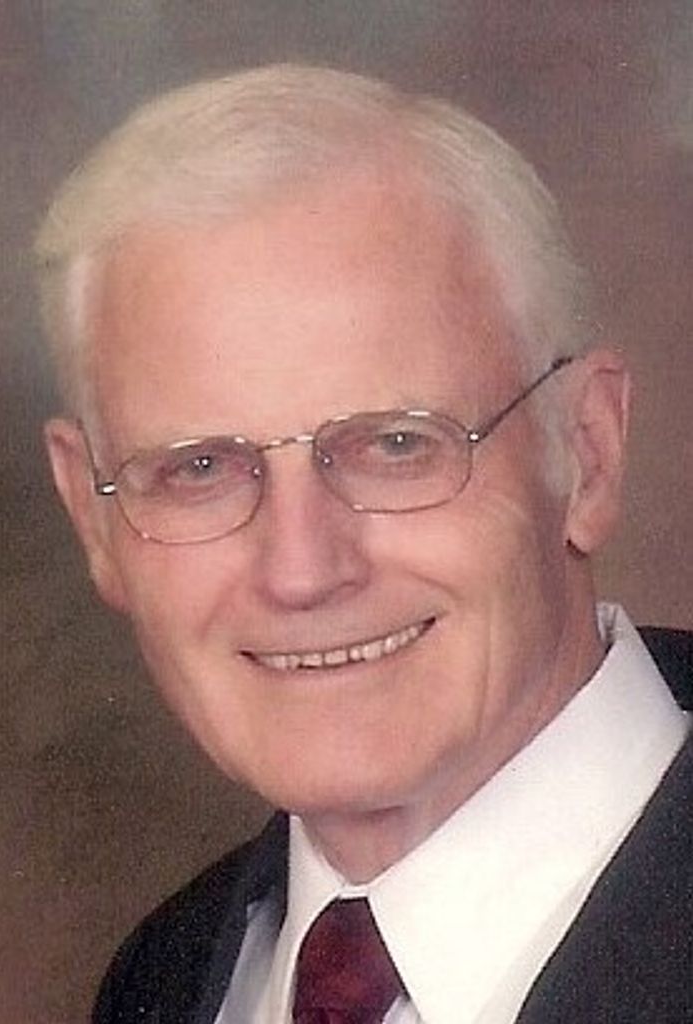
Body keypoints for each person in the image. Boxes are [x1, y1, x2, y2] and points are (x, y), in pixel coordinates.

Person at [35, 64, 691, 1023]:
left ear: (585, 454)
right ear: (93, 517)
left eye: (396, 446)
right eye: (200, 468)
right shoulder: (162, 981)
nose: (302, 570)